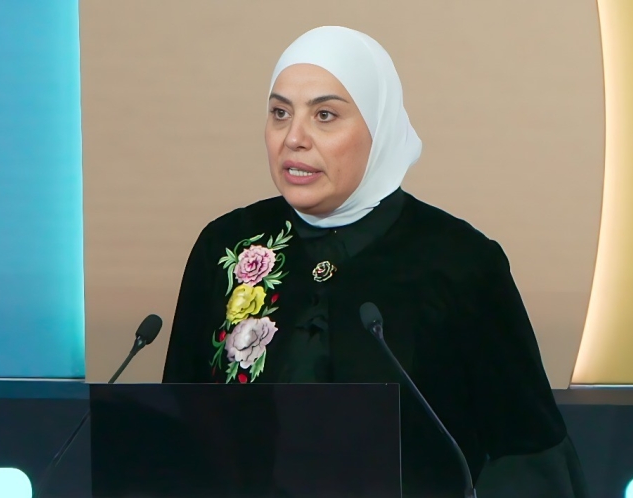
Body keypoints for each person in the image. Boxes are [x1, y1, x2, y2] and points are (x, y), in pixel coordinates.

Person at [163, 26, 588, 498]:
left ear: (378, 126)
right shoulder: (227, 246)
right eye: (280, 113)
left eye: (325, 115)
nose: (294, 138)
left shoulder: (459, 262)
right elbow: (182, 429)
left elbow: (525, 453)